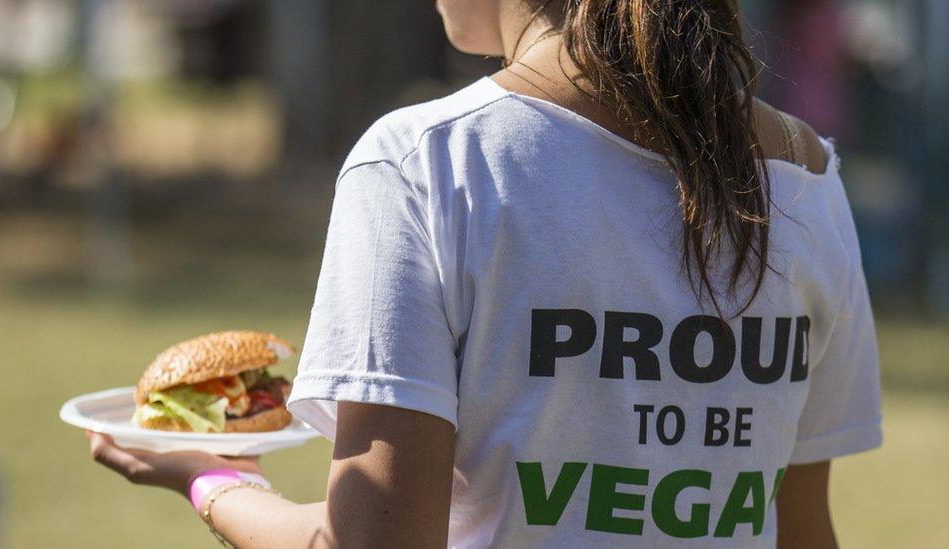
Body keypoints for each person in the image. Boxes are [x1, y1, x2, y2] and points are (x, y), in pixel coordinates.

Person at [86, 1, 882, 547]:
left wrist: (212, 479)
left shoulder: (427, 161)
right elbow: (800, 532)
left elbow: (374, 540)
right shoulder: (806, 175)